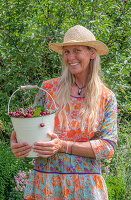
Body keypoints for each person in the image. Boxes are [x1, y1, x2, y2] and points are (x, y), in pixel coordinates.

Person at [11, 25, 117, 200]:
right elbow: (30, 128)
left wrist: (63, 145)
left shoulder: (106, 97)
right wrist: (18, 144)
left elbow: (108, 148)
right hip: (45, 184)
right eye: (66, 52)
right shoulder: (48, 89)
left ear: (92, 54)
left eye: (77, 50)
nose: (70, 57)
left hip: (86, 188)